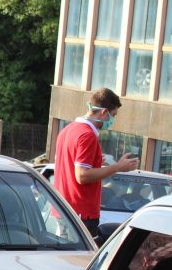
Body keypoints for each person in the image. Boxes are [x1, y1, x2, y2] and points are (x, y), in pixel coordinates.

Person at [53, 87, 139, 240]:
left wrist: (98, 164)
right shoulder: (87, 135)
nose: (112, 121)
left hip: (63, 208)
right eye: (113, 116)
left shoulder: (68, 129)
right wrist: (118, 167)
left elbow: (71, 167)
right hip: (81, 213)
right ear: (104, 112)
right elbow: (82, 176)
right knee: (80, 261)